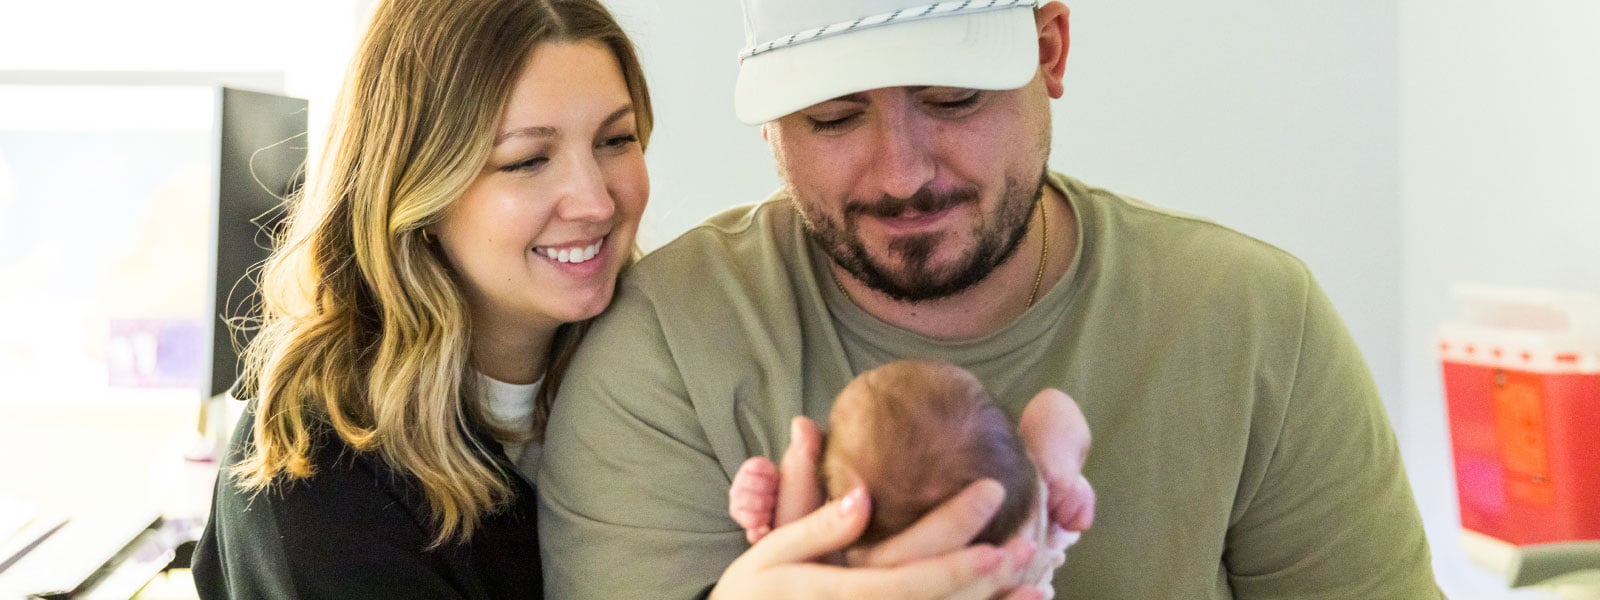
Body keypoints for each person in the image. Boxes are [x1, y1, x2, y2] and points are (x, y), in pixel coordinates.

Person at [537, 0, 1445, 597]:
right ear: (771, 125)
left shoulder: (1252, 323)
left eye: (953, 98)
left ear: (1049, 50)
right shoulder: (665, 342)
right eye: (833, 118)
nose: (901, 173)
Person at [190, 0, 654, 595]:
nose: (596, 202)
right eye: (528, 160)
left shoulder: (668, 370)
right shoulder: (318, 470)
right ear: (418, 189)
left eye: (616, 139)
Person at [727, 360, 1082, 598]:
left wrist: (762, 501)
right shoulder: (1027, 543)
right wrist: (1058, 466)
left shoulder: (828, 572)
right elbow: (1052, 404)